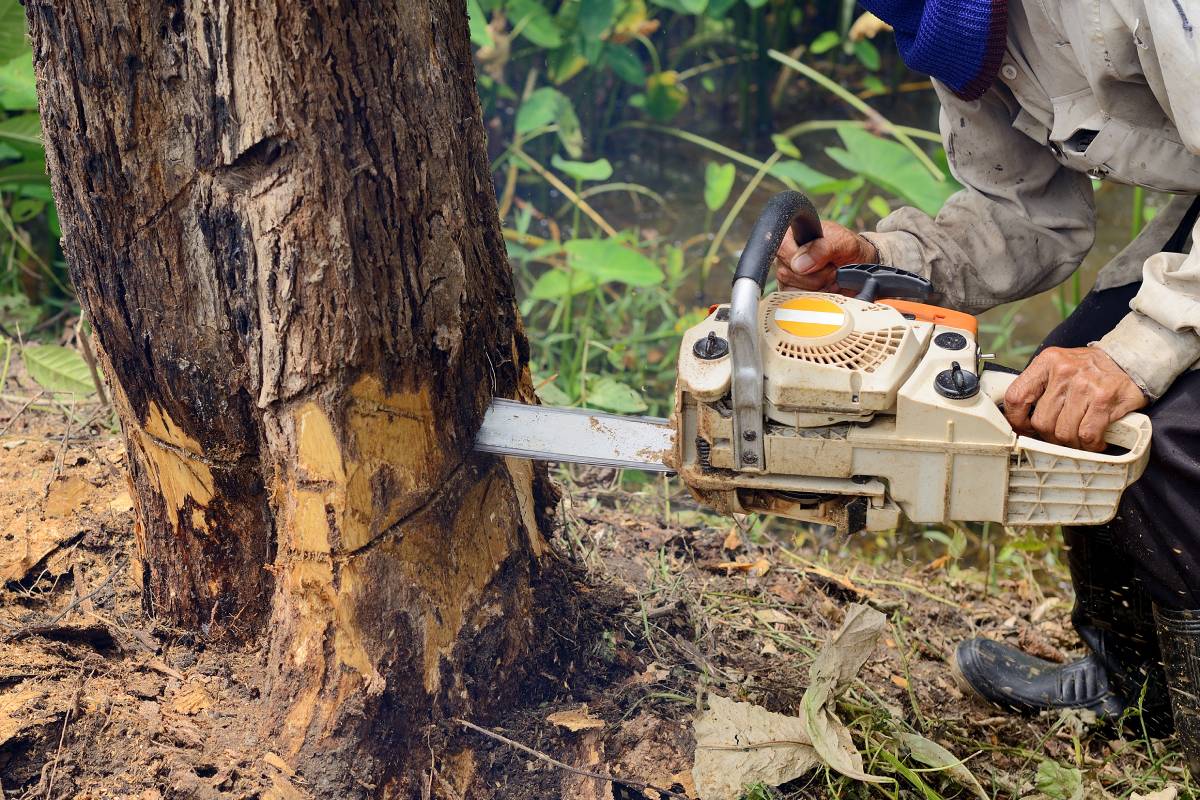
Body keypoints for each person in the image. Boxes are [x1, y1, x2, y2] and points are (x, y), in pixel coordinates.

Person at [774, 0, 1200, 771]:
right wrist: (887, 260)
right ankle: (1137, 690)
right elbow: (1028, 214)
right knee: (1058, 392)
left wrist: (1135, 357)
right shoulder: (957, 33)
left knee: (1170, 441)